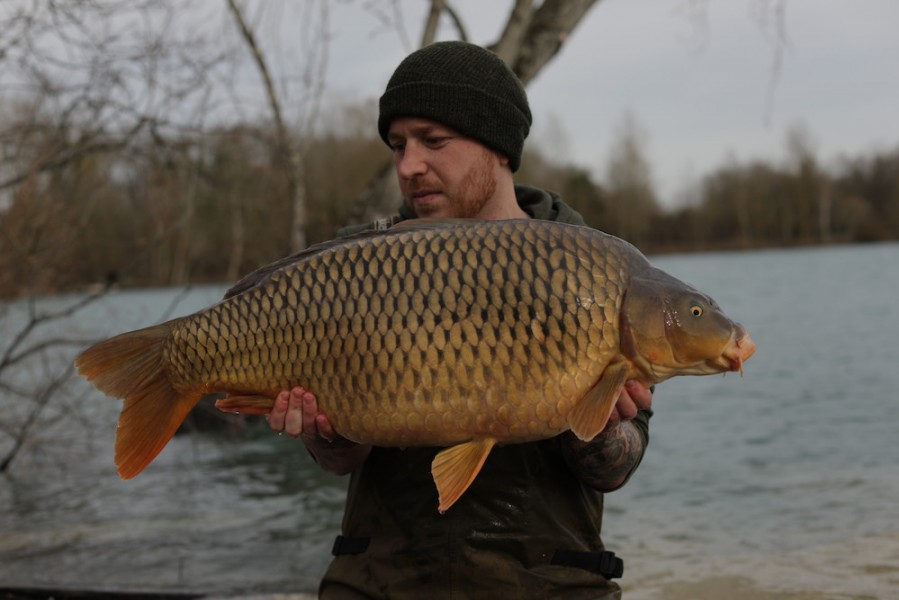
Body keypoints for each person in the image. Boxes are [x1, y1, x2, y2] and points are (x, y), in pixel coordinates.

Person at [266, 41, 653, 599]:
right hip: (378, 585)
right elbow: (342, 460)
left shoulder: (599, 273)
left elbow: (612, 471)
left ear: (496, 146)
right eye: (398, 145)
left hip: (548, 585)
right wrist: (324, 433)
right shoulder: (353, 270)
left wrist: (597, 419)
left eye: (434, 141)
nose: (408, 166)